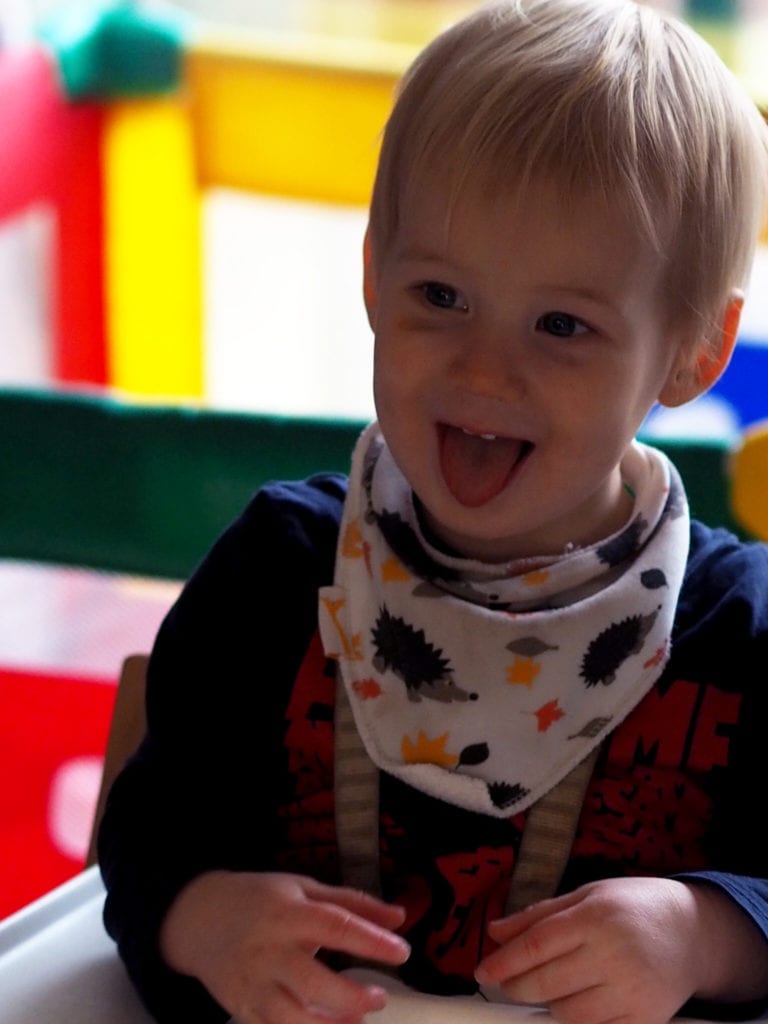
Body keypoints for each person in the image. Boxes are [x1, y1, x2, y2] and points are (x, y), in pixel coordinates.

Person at [98, 2, 768, 1023]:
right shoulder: (279, 576)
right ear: (373, 274)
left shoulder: (740, 633)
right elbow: (147, 840)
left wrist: (706, 933)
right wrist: (205, 917)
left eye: (562, 324)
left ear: (694, 352)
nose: (484, 366)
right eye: (442, 296)